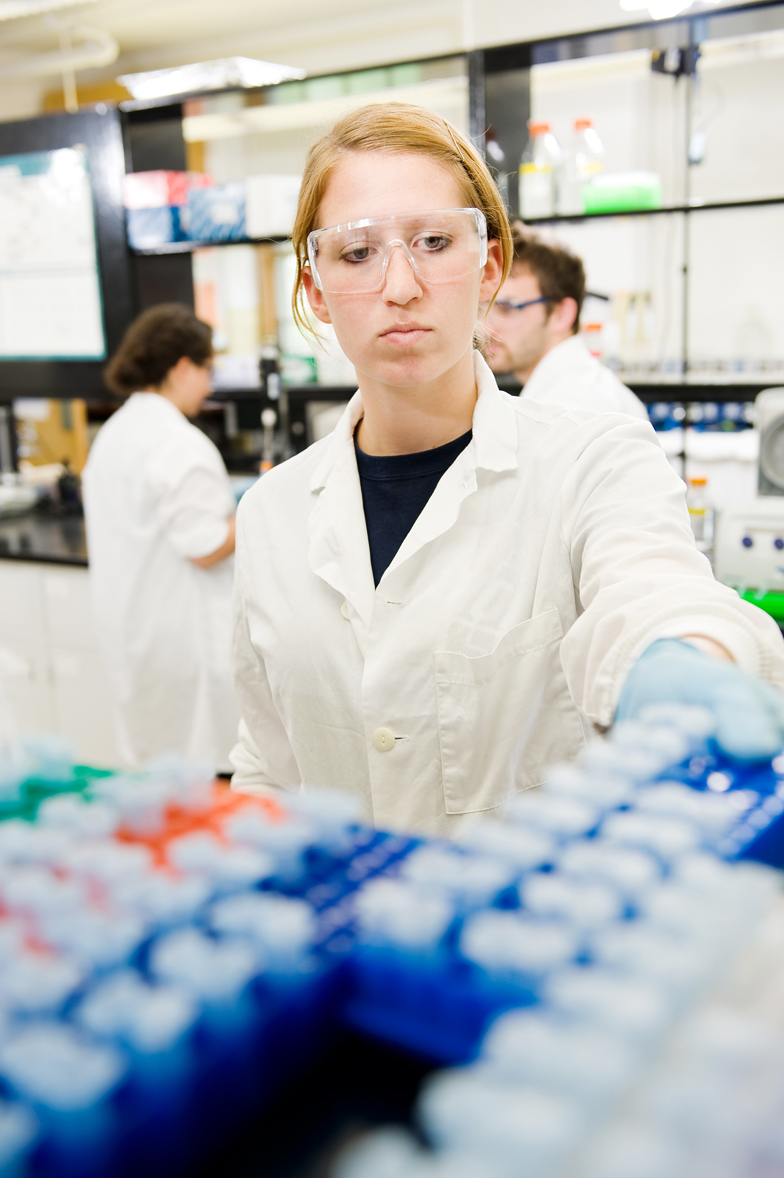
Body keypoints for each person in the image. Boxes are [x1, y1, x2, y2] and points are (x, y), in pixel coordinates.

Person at [230, 103, 784, 837]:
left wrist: (681, 657)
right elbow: (269, 764)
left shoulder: (592, 459)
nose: (400, 286)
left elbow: (653, 591)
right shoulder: (272, 511)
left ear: (487, 266)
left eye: (433, 242)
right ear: (313, 290)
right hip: (343, 937)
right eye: (357, 251)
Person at [83, 304, 239, 771]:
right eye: (206, 369)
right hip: (180, 639)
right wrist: (259, 509)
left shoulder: (115, 431)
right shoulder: (178, 441)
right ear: (182, 366)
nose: (209, 384)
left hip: (132, 628)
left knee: (155, 768)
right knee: (200, 770)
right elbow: (205, 546)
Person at [484, 226, 648, 421]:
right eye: (485, 307)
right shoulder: (584, 385)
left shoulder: (562, 408)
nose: (487, 326)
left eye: (508, 307)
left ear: (561, 314)